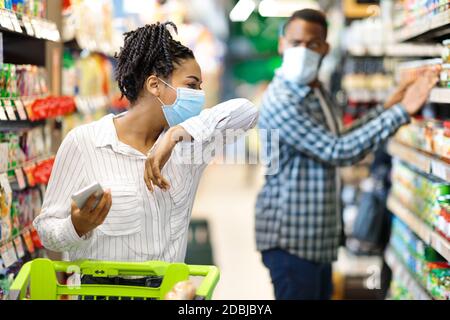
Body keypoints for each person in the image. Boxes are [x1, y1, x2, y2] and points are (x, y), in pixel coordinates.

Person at [33, 22, 258, 289]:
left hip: (167, 292)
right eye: (192, 85)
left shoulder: (190, 147)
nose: (199, 96)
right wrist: (77, 226)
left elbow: (247, 112)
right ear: (155, 85)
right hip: (100, 292)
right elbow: (47, 231)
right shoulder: (85, 143)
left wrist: (176, 134)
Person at [255, 9, 439, 300]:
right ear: (282, 44)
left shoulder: (315, 91)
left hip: (317, 238)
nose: (302, 51)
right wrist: (402, 111)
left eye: (312, 44)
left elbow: (340, 137)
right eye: (295, 43)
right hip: (290, 238)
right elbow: (338, 151)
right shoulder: (282, 100)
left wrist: (392, 102)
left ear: (325, 48)